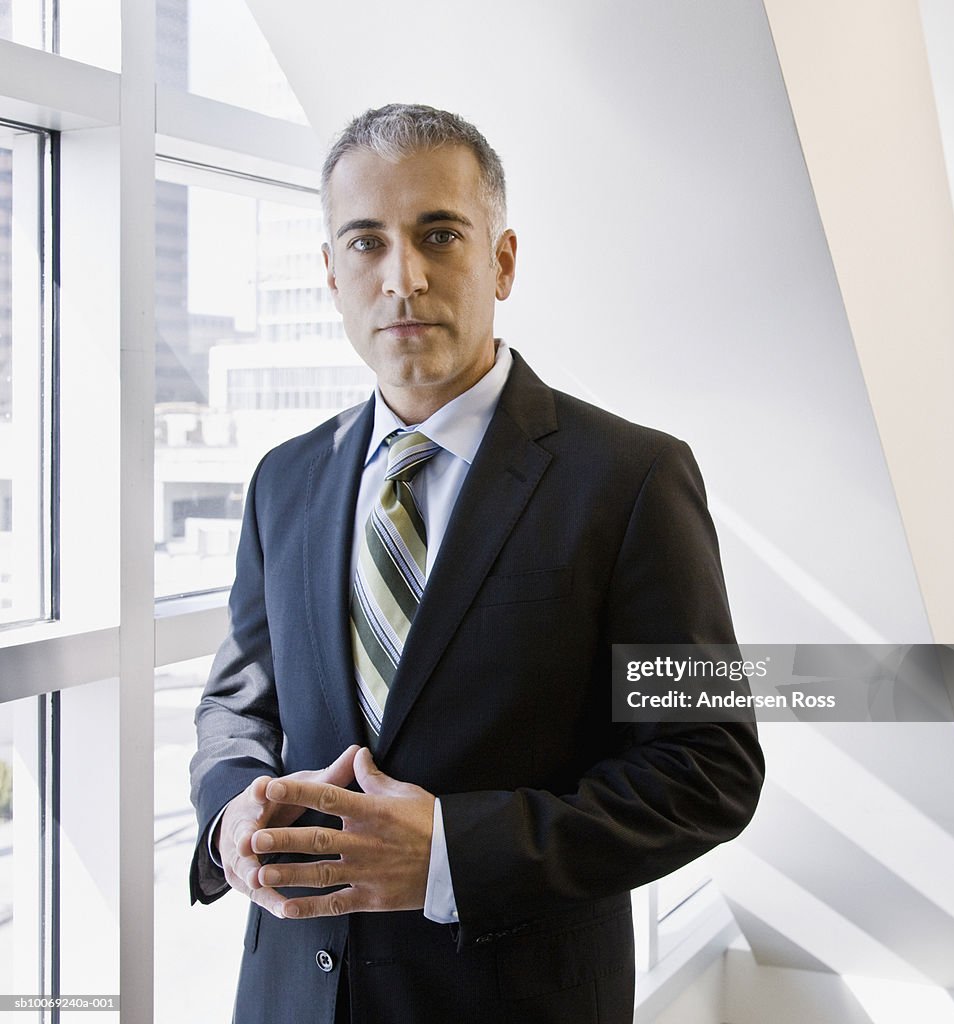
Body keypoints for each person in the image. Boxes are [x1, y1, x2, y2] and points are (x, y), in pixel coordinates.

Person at [190, 103, 764, 1024]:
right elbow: (237, 704)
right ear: (331, 272)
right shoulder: (283, 479)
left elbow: (708, 766)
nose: (403, 278)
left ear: (500, 260)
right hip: (288, 997)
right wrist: (230, 819)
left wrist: (455, 853)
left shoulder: (631, 477)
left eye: (439, 235)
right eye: (366, 243)